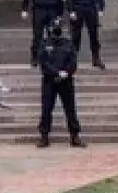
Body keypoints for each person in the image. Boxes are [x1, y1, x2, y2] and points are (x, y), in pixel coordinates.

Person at [36, 17, 85, 148]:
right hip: (49, 81)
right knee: (46, 109)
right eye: (55, 27)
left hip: (66, 81)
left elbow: (73, 62)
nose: (57, 30)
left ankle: (75, 136)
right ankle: (44, 136)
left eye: (59, 27)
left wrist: (66, 73)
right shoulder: (44, 44)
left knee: (70, 109)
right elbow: (44, 63)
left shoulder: (68, 44)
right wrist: (57, 73)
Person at [21, 0, 64, 68]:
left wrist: (60, 14)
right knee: (37, 35)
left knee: (53, 35)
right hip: (39, 10)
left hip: (52, 10)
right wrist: (24, 9)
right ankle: (35, 58)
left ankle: (51, 58)